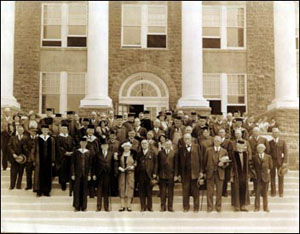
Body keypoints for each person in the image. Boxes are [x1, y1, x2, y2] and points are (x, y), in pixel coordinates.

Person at [178, 133, 202, 212]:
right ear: (183, 140)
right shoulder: (181, 149)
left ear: (191, 139)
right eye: (185, 139)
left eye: (188, 138)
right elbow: (179, 162)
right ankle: (186, 207)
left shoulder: (197, 147)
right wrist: (179, 174)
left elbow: (200, 159)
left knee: (195, 192)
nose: (187, 140)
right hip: (185, 174)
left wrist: (201, 171)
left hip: (195, 173)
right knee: (185, 191)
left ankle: (196, 207)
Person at [204, 136, 229, 213]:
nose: (216, 142)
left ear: (221, 141)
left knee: (219, 191)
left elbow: (227, 163)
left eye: (218, 141)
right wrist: (203, 172)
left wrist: (223, 164)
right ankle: (209, 207)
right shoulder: (208, 150)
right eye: (215, 140)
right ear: (213, 141)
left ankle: (218, 206)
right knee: (209, 191)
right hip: (210, 173)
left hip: (220, 173)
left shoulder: (224, 151)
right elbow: (204, 162)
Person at [33, 124, 56, 197]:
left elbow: (53, 151)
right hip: (39, 160)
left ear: (48, 131)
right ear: (41, 130)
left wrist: (53, 160)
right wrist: (34, 160)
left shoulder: (51, 139)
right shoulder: (37, 138)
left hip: (48, 160)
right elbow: (34, 150)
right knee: (39, 175)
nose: (45, 131)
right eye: (43, 129)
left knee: (48, 175)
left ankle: (47, 191)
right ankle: (39, 191)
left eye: (46, 129)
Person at [71, 137, 92, 212]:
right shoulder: (76, 152)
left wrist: (89, 174)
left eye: (85, 143)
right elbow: (72, 164)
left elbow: (90, 165)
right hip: (77, 174)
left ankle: (84, 207)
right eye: (82, 142)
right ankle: (77, 206)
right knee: (77, 190)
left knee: (84, 190)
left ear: (86, 143)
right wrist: (73, 173)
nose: (83, 144)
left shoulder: (88, 152)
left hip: (85, 174)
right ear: (80, 143)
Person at [115, 141, 137, 212]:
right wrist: (119, 167)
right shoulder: (120, 154)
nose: (126, 148)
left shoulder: (133, 154)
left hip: (130, 173)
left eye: (128, 146)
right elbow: (116, 163)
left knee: (130, 187)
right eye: (125, 146)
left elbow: (136, 163)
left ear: (130, 147)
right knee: (121, 187)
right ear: (123, 147)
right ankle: (122, 205)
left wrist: (132, 167)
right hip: (122, 173)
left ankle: (129, 205)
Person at [136, 140, 157, 212]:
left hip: (149, 175)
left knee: (149, 192)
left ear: (148, 144)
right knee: (141, 192)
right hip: (141, 175)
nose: (143, 145)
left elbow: (155, 164)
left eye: (145, 143)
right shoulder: (139, 153)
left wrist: (154, 173)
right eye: (142, 143)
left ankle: (150, 207)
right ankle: (142, 207)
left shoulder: (152, 153)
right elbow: (137, 163)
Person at [157, 140, 178, 212]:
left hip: (171, 175)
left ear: (171, 145)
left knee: (170, 192)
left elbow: (176, 165)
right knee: (162, 192)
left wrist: (175, 175)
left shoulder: (174, 153)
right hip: (162, 175)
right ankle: (163, 207)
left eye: (169, 144)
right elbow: (158, 164)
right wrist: (157, 174)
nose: (168, 145)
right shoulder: (160, 153)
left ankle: (170, 207)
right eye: (166, 144)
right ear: (164, 145)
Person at [248, 127, 270, 196]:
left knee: (263, 177)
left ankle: (263, 192)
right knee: (255, 176)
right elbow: (249, 150)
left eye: (256, 131)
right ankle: (255, 190)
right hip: (254, 161)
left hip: (262, 161)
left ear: (259, 132)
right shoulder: (250, 140)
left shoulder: (264, 139)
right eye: (254, 131)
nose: (255, 132)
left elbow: (268, 150)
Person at [95, 138, 114, 212]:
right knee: (99, 191)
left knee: (106, 191)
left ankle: (106, 207)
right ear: (101, 146)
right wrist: (94, 174)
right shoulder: (97, 154)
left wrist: (113, 173)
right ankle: (98, 206)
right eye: (103, 145)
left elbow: (112, 164)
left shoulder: (111, 153)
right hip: (99, 174)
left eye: (106, 145)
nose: (104, 146)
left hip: (108, 174)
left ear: (108, 146)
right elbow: (94, 164)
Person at [230, 140, 250, 212]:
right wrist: (231, 175)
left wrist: (248, 174)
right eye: (238, 146)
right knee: (236, 190)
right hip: (236, 175)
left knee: (244, 190)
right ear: (237, 146)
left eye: (242, 146)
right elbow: (231, 166)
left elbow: (248, 165)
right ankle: (237, 206)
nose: (240, 147)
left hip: (244, 175)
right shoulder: (233, 154)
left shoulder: (246, 154)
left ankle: (243, 206)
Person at [8, 125, 29, 190]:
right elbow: (9, 146)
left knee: (21, 172)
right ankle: (12, 185)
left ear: (23, 131)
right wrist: (13, 153)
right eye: (19, 130)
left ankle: (18, 185)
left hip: (22, 158)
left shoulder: (26, 138)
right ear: (17, 131)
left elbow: (28, 147)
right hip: (14, 158)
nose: (20, 131)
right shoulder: (13, 138)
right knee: (13, 172)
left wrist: (24, 155)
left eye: (21, 130)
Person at [253, 144, 273, 212]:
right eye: (259, 148)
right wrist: (254, 175)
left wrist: (267, 171)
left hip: (265, 177)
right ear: (257, 149)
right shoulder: (254, 157)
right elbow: (252, 167)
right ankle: (257, 207)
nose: (260, 149)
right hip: (257, 178)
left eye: (262, 148)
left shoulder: (268, 157)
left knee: (265, 193)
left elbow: (271, 166)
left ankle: (266, 207)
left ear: (264, 149)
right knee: (257, 193)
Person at [269, 128, 288, 197]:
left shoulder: (282, 142)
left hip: (280, 162)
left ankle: (281, 192)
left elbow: (285, 152)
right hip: (272, 162)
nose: (275, 134)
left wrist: (285, 162)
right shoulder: (270, 142)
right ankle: (273, 192)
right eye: (273, 132)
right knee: (272, 177)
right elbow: (268, 153)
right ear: (272, 134)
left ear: (278, 133)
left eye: (276, 132)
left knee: (280, 176)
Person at [56, 124, 74, 191]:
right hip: (62, 157)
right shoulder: (58, 137)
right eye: (63, 128)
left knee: (69, 170)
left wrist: (71, 152)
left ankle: (69, 183)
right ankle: (63, 184)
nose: (64, 130)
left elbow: (73, 145)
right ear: (61, 129)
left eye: (65, 129)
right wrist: (65, 152)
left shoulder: (70, 137)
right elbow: (58, 147)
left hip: (70, 156)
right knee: (62, 171)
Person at [85, 124, 100, 198]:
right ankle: (87, 192)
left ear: (94, 131)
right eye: (89, 130)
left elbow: (97, 150)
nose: (90, 131)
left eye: (92, 130)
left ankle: (93, 192)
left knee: (94, 175)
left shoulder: (96, 139)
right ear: (87, 130)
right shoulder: (84, 139)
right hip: (85, 159)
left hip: (94, 159)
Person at [218, 128, 233, 197]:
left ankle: (224, 191)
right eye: (220, 132)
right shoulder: (216, 140)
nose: (221, 134)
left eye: (222, 132)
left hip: (225, 162)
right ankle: (219, 191)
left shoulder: (228, 142)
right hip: (217, 161)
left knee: (225, 178)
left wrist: (225, 160)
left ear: (225, 134)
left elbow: (230, 152)